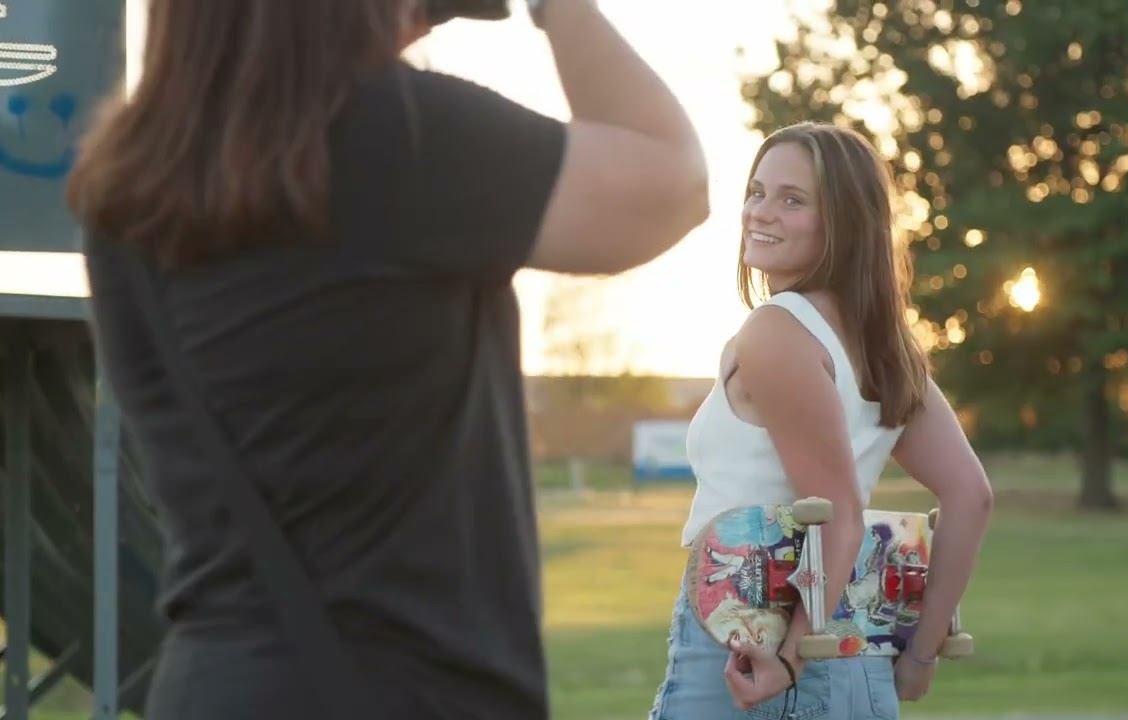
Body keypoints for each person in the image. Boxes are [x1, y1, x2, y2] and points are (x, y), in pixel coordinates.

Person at [66, 0, 709, 718]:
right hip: (405, 688)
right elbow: (672, 182)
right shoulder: (399, 136)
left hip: (214, 681)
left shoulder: (122, 190)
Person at [647, 121, 993, 720]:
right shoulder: (883, 347)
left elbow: (839, 515)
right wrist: (921, 654)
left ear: (844, 223)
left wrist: (787, 661)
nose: (762, 212)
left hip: (755, 649)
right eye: (757, 191)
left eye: (793, 200)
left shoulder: (777, 331)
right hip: (860, 658)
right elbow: (971, 496)